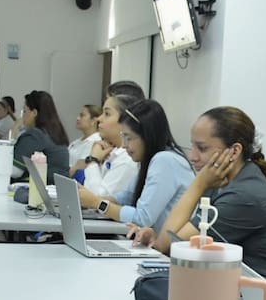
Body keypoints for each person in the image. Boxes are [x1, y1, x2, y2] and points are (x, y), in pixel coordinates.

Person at [132, 106, 266, 297]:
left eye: (202, 148)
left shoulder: (243, 196)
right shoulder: (223, 181)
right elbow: (175, 240)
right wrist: (154, 236)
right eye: (192, 146)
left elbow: (167, 246)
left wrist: (198, 184)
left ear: (234, 151)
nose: (192, 156)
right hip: (242, 289)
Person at [76, 99, 192, 233]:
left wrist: (97, 203)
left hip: (166, 251)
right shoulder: (150, 160)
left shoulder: (166, 160)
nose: (124, 145)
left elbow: (142, 218)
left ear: (147, 136)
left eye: (129, 138)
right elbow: (123, 198)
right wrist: (87, 200)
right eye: (123, 137)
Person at [72, 81, 143, 199]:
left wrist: (93, 160)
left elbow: (95, 200)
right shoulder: (110, 151)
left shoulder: (128, 159)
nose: (99, 118)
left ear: (126, 118)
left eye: (107, 113)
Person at [11, 91, 70, 180]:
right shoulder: (55, 133)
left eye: (25, 111)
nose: (23, 115)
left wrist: (14, 131)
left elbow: (15, 171)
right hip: (57, 188)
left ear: (34, 113)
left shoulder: (34, 136)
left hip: (41, 190)